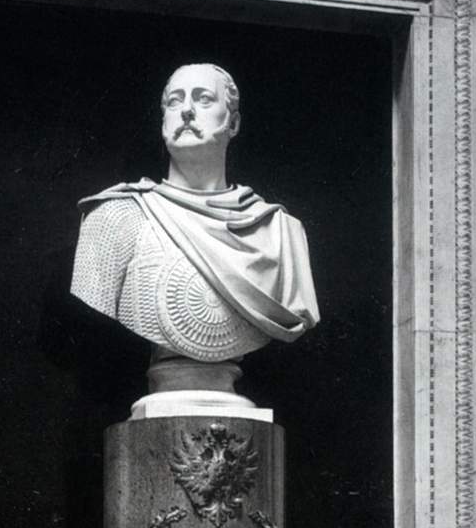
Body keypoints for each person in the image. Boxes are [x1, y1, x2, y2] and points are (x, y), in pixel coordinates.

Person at [70, 63, 319, 368]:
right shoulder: (115, 217)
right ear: (164, 123)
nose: (187, 110)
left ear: (234, 123)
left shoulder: (281, 233)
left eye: (204, 99)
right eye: (175, 101)